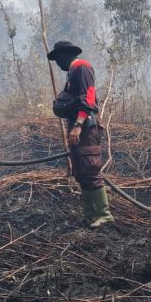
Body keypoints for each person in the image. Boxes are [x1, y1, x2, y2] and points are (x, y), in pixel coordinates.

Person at [47, 40, 114, 228]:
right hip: (77, 127)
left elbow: (89, 98)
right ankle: (91, 215)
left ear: (65, 55)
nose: (57, 63)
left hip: (85, 127)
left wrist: (77, 125)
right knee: (81, 171)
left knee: (90, 167)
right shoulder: (72, 73)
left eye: (57, 58)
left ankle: (104, 215)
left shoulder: (82, 68)